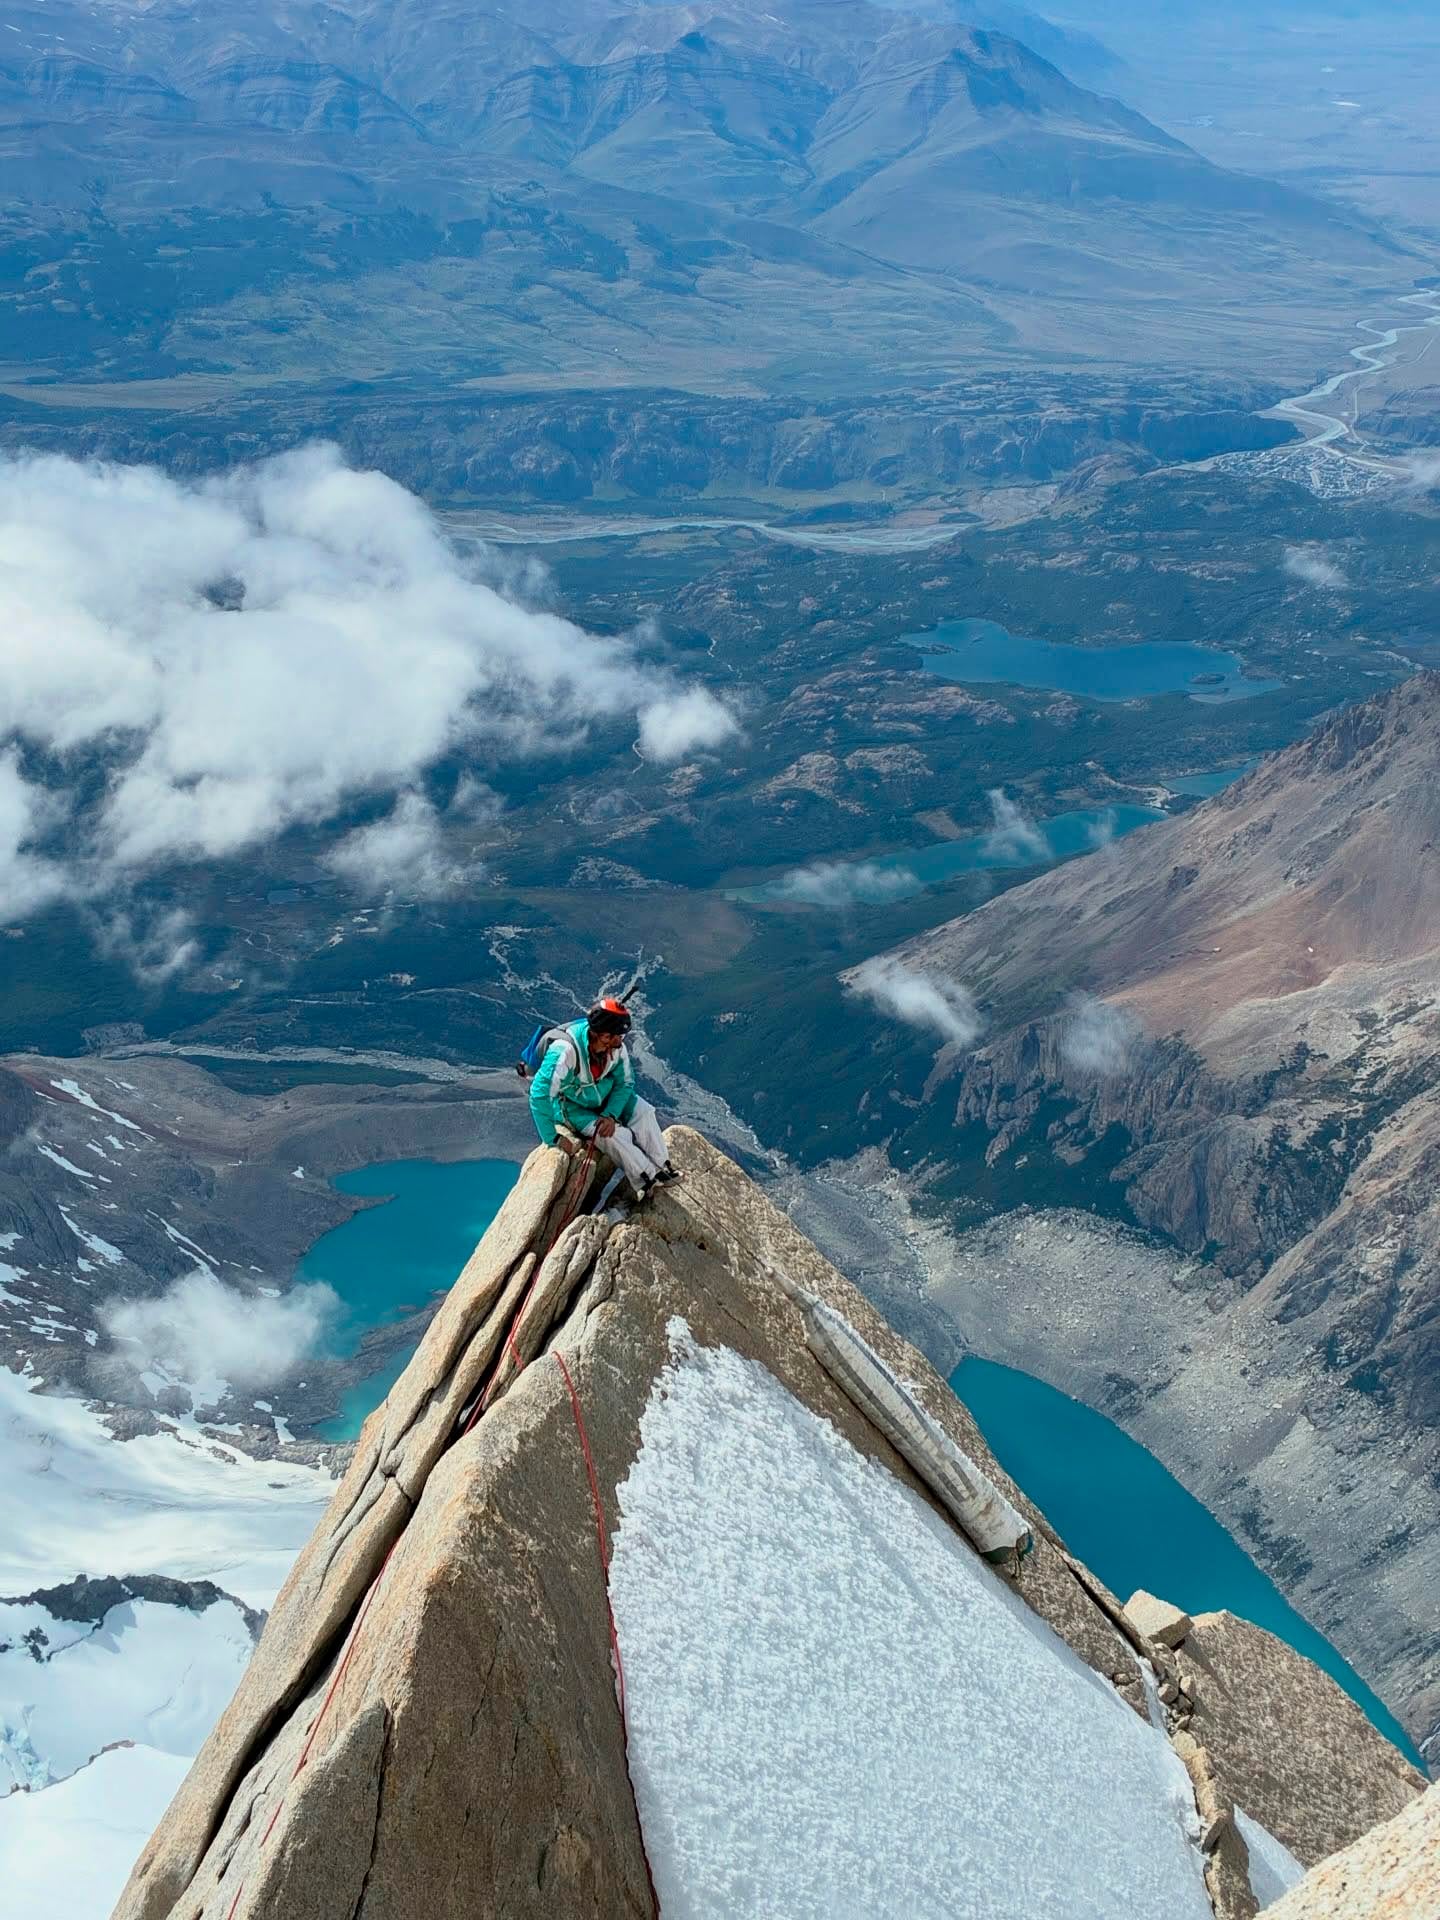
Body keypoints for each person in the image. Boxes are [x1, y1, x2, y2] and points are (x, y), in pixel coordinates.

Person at [527, 999, 676, 1200]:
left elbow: (625, 1083)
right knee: (611, 1135)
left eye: (619, 1036)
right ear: (597, 1033)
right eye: (611, 1036)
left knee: (644, 1112)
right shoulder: (565, 1051)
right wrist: (552, 1138)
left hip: (604, 1098)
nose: (618, 1042)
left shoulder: (615, 1047)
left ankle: (663, 1166)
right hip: (572, 1106)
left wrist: (611, 1114)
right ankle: (647, 1179)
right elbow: (540, 1094)